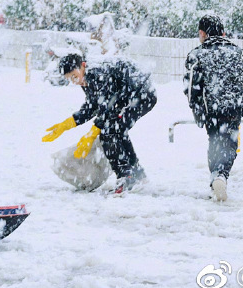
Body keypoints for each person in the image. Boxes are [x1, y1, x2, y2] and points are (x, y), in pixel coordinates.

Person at [42, 52, 157, 194]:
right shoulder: (86, 77)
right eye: (70, 79)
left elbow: (106, 106)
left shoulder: (97, 73)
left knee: (109, 132)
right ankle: (137, 174)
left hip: (141, 95)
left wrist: (92, 133)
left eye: (74, 76)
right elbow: (93, 106)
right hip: (128, 97)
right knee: (116, 130)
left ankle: (126, 177)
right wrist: (67, 124)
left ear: (83, 65)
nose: (75, 81)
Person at [184, 14, 243, 202]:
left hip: (211, 109)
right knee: (230, 144)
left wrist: (197, 108)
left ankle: (216, 176)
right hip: (233, 107)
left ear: (202, 33)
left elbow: (191, 86)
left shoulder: (197, 55)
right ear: (223, 33)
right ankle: (221, 174)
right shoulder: (238, 53)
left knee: (214, 141)